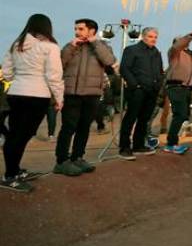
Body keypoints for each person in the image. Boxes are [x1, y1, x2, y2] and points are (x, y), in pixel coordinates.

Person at [1, 14, 63, 192]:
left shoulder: (17, 45)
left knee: (15, 135)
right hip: (38, 95)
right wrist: (59, 98)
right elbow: (54, 76)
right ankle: (10, 176)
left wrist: (18, 78)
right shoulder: (49, 47)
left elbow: (6, 72)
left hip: (16, 93)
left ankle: (14, 170)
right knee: (22, 136)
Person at [55, 18, 116, 176]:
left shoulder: (102, 46)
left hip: (92, 94)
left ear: (92, 31)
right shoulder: (71, 46)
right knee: (68, 127)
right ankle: (61, 161)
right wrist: (70, 47)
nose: (77, 32)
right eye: (76, 28)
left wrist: (95, 43)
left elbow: (109, 61)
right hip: (71, 93)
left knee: (84, 127)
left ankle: (77, 157)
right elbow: (59, 65)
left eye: (81, 29)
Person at [118, 27, 163, 160]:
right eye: (150, 36)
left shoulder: (156, 52)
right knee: (130, 118)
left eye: (155, 37)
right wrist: (135, 85)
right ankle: (124, 148)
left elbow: (160, 71)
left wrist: (158, 85)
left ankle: (138, 146)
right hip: (137, 91)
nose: (153, 39)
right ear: (143, 37)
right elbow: (124, 69)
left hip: (152, 91)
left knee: (144, 119)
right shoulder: (132, 50)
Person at [164, 29, 192, 155]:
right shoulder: (174, 53)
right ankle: (171, 143)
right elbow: (179, 45)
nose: (184, 43)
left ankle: (173, 142)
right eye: (182, 41)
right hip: (176, 86)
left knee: (184, 115)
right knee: (180, 114)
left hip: (187, 89)